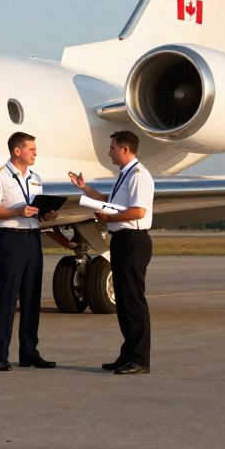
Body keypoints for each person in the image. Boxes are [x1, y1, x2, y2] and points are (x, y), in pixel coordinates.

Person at [68, 130, 155, 375]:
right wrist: (86, 189)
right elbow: (110, 201)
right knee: (125, 302)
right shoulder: (125, 175)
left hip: (133, 241)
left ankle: (139, 360)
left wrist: (111, 217)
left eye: (113, 147)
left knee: (133, 301)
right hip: (121, 240)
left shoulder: (139, 176)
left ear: (124, 149)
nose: (110, 152)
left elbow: (138, 211)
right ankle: (127, 356)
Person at [0, 131, 57, 371]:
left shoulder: (36, 178)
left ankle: (29, 352)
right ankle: (0, 353)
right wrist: (16, 211)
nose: (35, 153)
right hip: (11, 240)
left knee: (31, 297)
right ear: (18, 151)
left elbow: (34, 209)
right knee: (7, 296)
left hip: (33, 238)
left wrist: (46, 214)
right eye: (31, 149)